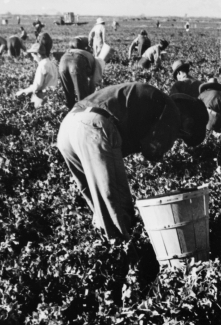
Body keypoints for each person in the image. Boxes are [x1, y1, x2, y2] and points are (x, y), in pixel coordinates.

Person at [55, 82, 209, 240]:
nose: (177, 138)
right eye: (182, 136)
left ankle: (106, 246)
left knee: (100, 206)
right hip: (93, 127)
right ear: (188, 122)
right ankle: (128, 252)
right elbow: (152, 152)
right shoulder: (172, 112)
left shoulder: (155, 99)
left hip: (68, 127)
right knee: (118, 203)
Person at [58, 36, 103, 109]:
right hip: (77, 61)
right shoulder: (95, 60)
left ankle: (70, 111)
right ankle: (82, 112)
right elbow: (94, 81)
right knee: (82, 99)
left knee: (69, 97)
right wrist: (90, 96)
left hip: (63, 60)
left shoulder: (69, 51)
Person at [16, 42, 60, 107]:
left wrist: (22, 91)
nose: (34, 59)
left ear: (38, 54)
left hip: (42, 98)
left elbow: (37, 87)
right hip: (53, 97)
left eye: (34, 56)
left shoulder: (42, 66)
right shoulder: (52, 64)